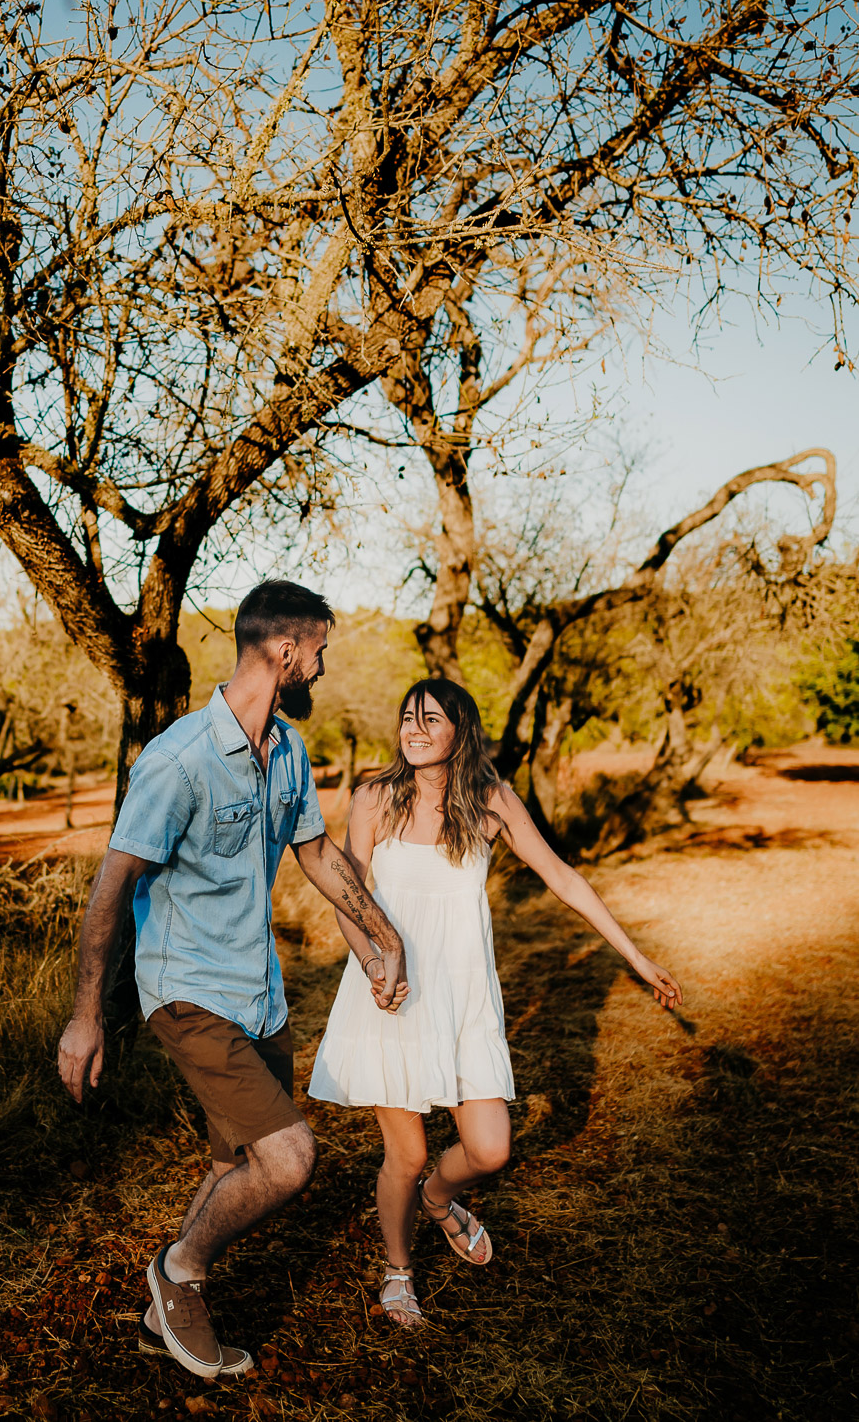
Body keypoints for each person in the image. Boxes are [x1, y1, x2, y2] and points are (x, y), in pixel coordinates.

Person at [57, 581, 407, 1377]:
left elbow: (316, 853)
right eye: (318, 651)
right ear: (284, 651)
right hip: (187, 991)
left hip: (259, 993)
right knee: (288, 1158)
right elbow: (110, 888)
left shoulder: (287, 750)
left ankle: (163, 1316)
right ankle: (178, 1272)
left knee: (234, 1166)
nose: (321, 667)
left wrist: (384, 938)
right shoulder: (178, 760)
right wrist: (86, 1016)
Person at [308, 677, 682, 1328]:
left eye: (430, 719)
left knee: (488, 1150)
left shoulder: (491, 800)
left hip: (463, 1000)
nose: (414, 729)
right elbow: (347, 896)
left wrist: (636, 957)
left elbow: (562, 877)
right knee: (407, 1155)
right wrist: (373, 963)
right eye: (407, 718)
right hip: (391, 997)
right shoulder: (374, 798)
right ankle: (398, 1272)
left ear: (461, 730)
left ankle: (438, 1199)